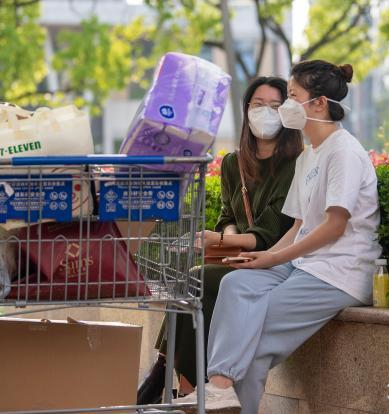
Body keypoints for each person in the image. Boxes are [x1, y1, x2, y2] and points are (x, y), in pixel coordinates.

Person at [175, 60, 382, 413]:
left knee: (254, 329)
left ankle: (221, 388)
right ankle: (221, 387)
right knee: (235, 284)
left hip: (339, 271)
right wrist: (266, 258)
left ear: (318, 104)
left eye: (292, 96)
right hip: (303, 265)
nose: (286, 106)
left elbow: (334, 226)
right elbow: (300, 225)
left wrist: (273, 257)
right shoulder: (308, 157)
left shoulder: (344, 152)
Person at [137, 76, 303, 405]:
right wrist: (228, 239)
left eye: (275, 106)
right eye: (258, 105)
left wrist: (224, 241)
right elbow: (228, 217)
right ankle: (184, 387)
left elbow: (271, 231)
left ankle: (168, 377)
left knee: (200, 278)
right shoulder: (232, 163)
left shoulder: (296, 164)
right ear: (246, 110)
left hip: (272, 260)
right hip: (237, 257)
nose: (266, 113)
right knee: (197, 281)